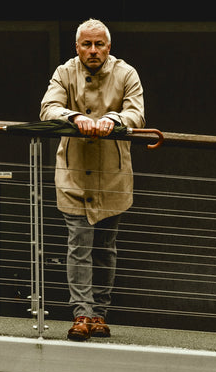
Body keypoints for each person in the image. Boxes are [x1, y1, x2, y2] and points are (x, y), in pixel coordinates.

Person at [40, 19, 145, 341]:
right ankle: (82, 314)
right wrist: (76, 118)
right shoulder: (64, 72)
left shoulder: (126, 74)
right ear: (77, 47)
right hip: (74, 176)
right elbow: (48, 108)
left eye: (99, 44)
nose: (93, 50)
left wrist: (111, 121)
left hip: (111, 177)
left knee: (105, 249)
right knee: (79, 246)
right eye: (87, 44)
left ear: (108, 47)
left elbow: (136, 114)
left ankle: (99, 313)